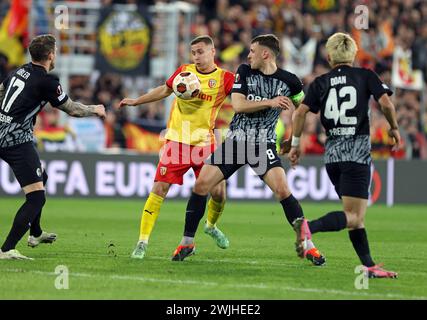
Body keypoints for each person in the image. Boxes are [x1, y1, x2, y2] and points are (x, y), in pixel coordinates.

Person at [171, 34, 325, 266]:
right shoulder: (245, 71)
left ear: (265, 54)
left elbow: (302, 110)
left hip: (263, 145)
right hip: (236, 141)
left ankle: (308, 246)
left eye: (252, 51)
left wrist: (294, 138)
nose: (248, 55)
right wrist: (271, 102)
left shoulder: (291, 81)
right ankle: (187, 242)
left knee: (283, 191)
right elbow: (239, 105)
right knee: (201, 185)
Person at [289, 32, 399, 278]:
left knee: (355, 218)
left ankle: (369, 266)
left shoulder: (320, 82)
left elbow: (299, 114)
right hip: (356, 153)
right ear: (354, 54)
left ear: (329, 56)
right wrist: (393, 127)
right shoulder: (366, 75)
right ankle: (308, 228)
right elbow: (387, 104)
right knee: (353, 216)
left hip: (333, 155)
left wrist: (295, 144)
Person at [119, 35, 235, 259]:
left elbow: (240, 98)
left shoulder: (225, 78)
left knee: (219, 192)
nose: (196, 57)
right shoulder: (185, 72)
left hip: (206, 144)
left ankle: (210, 226)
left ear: (213, 52)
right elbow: (164, 89)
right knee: (159, 189)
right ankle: (142, 242)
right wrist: (136, 101)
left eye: (200, 52)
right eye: (193, 53)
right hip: (176, 141)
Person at [0, 34, 106, 260]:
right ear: (50, 55)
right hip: (15, 141)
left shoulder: (20, 71)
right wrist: (94, 109)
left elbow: (1, 92)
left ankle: (35, 233)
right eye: (55, 51)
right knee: (37, 197)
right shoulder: (47, 81)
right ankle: (7, 249)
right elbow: (72, 109)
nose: (55, 55)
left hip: (6, 134)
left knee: (42, 177)